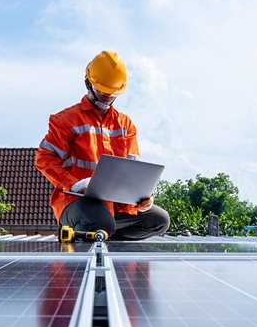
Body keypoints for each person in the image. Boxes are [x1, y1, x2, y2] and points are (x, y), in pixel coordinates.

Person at [35, 50, 170, 240]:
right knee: (102, 222)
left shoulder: (125, 124)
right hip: (76, 201)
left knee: (159, 220)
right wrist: (75, 184)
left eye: (113, 93)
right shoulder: (66, 120)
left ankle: (104, 234)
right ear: (87, 84)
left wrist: (144, 195)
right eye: (102, 91)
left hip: (115, 206)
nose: (108, 96)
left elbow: (134, 170)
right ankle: (98, 229)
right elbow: (44, 159)